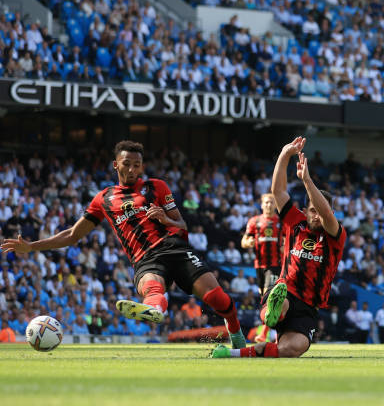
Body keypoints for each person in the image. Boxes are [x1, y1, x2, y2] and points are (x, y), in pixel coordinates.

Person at [1, 140, 246, 349]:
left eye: (136, 165)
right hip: (145, 259)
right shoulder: (104, 199)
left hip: (176, 250)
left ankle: (235, 330)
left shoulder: (156, 187)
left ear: (142, 166)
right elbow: (73, 235)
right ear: (116, 165)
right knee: (152, 288)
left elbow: (182, 225)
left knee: (217, 298)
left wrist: (164, 218)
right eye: (126, 164)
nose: (131, 169)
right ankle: (154, 310)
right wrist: (32, 246)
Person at [211, 136, 346, 358]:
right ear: (304, 211)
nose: (317, 215)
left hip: (309, 308)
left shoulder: (334, 234)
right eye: (312, 210)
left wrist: (307, 180)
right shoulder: (296, 222)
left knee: (291, 349)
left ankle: (232, 355)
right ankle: (271, 313)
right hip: (286, 291)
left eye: (321, 211)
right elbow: (278, 191)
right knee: (280, 302)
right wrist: (284, 154)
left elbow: (326, 214)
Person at [241, 192, 282, 342]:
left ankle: (264, 333)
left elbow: (287, 242)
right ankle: (275, 333)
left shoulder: (281, 222)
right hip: (259, 266)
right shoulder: (254, 221)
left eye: (272, 202)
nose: (269, 205)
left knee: (269, 297)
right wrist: (248, 243)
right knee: (265, 300)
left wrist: (284, 247)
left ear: (276, 205)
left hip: (275, 265)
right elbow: (244, 240)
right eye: (266, 202)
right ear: (261, 204)